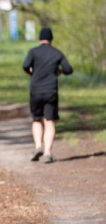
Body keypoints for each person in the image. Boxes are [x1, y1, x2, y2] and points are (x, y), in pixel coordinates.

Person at [22, 28, 73, 164]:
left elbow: (25, 65)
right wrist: (59, 71)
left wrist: (32, 72)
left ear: (40, 39)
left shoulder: (33, 52)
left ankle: (38, 145)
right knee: (49, 121)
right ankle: (47, 153)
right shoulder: (57, 53)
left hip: (36, 90)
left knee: (37, 119)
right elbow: (69, 69)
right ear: (51, 39)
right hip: (51, 91)